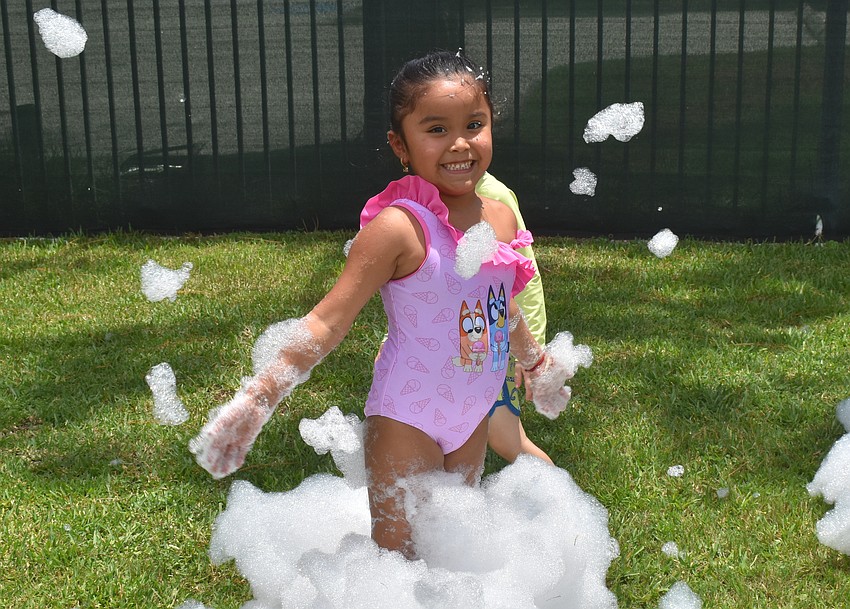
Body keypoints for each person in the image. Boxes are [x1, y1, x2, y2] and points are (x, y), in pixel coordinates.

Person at [190, 50, 575, 559]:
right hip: (408, 415)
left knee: (452, 549)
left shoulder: (501, 218)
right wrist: (259, 397)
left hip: (472, 412)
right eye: (436, 129)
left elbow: (497, 306)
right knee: (399, 564)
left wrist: (534, 362)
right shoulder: (400, 227)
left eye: (474, 124)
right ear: (401, 144)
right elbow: (327, 321)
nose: (460, 143)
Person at [477, 172, 553, 465]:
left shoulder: (494, 196)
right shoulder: (423, 194)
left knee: (507, 439)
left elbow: (526, 278)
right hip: (443, 343)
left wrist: (530, 349)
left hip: (489, 344)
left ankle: (561, 504)